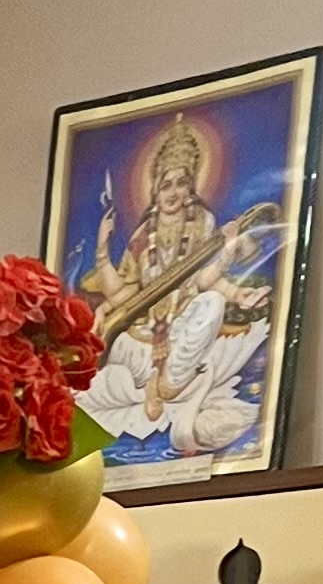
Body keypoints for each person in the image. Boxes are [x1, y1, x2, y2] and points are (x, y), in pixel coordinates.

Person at [75, 112, 280, 460]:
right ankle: (162, 388)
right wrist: (102, 247)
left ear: (191, 188)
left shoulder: (203, 222)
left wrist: (237, 290)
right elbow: (124, 294)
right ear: (154, 188)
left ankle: (166, 386)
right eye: (166, 184)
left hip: (184, 337)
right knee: (108, 368)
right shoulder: (143, 235)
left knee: (212, 303)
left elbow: (205, 281)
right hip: (140, 343)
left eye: (181, 183)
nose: (173, 192)